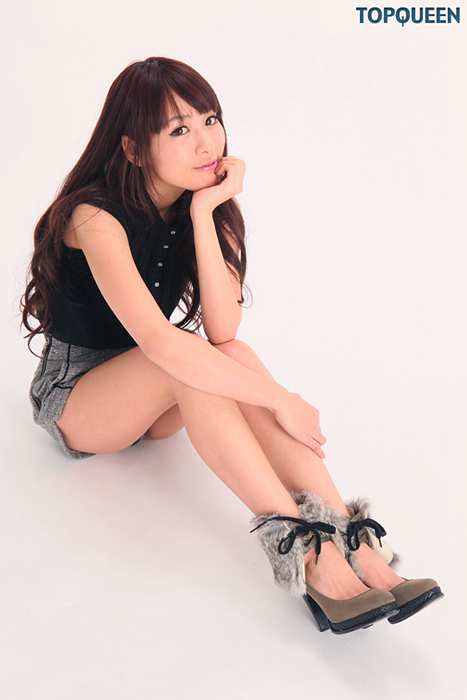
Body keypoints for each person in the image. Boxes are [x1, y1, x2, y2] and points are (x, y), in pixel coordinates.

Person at [19, 56, 443, 635]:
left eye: (210, 120)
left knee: (227, 357)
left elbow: (223, 333)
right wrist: (280, 399)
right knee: (181, 359)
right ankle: (308, 555)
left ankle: (351, 538)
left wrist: (205, 213)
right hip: (79, 402)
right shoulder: (94, 218)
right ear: (134, 149)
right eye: (179, 129)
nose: (206, 142)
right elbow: (161, 344)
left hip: (155, 400)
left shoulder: (196, 202)